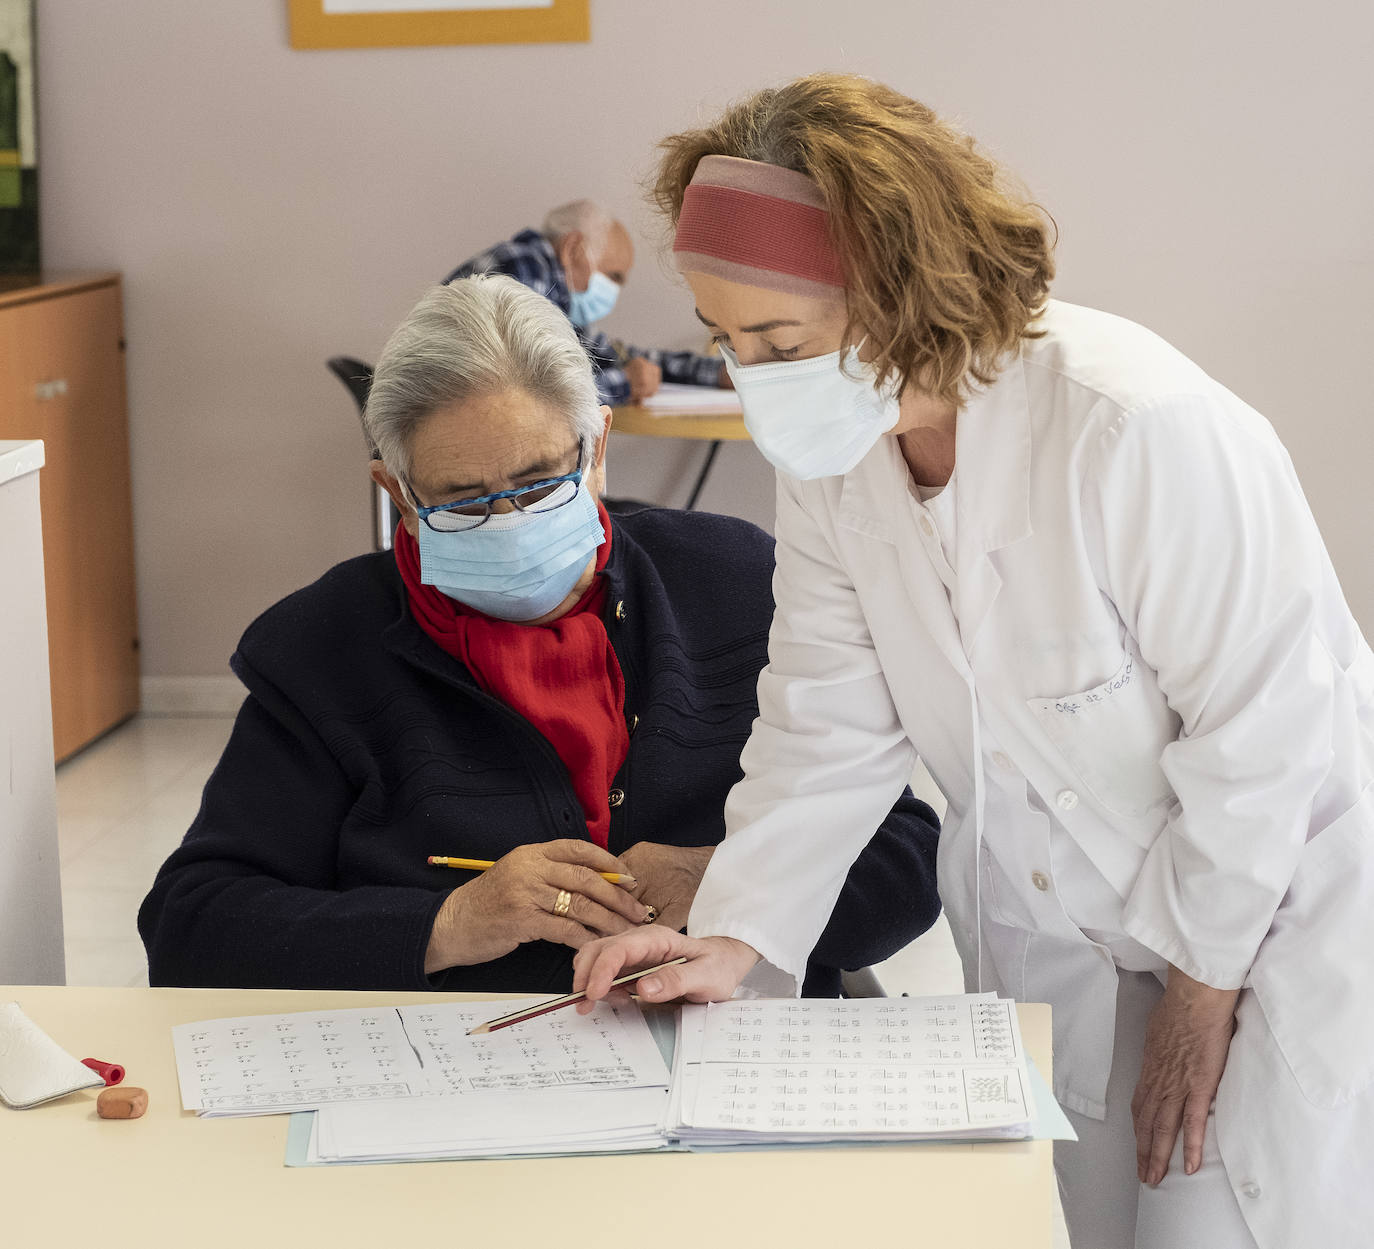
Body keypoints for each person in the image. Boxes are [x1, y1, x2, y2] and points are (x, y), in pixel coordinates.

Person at [572, 73, 1374, 1249]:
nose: (750, 379)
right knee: (1065, 1223)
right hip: (1059, 940)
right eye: (727, 340)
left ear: (899, 295)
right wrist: (734, 940)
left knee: (1231, 1221)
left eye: (778, 340)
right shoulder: (837, 459)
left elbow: (1269, 733)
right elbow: (822, 726)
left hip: (1269, 928)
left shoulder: (1131, 425)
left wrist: (1206, 998)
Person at [137, 273, 941, 999]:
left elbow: (906, 859)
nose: (510, 521)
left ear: (596, 449)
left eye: (538, 481)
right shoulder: (324, 649)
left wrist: (731, 883)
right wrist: (446, 924)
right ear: (397, 491)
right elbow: (192, 926)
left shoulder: (736, 581)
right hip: (459, 1085)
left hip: (730, 1066)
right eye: (464, 498)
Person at [443, 199, 730, 406]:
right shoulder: (523, 271)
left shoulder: (548, 289)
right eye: (614, 276)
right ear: (572, 249)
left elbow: (610, 355)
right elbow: (536, 395)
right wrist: (625, 384)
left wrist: (715, 373)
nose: (615, 291)